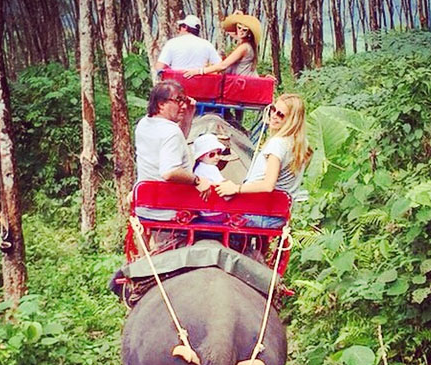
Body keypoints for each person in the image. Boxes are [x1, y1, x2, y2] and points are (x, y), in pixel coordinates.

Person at [216, 94, 313, 228]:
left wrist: (236, 188)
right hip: (279, 213)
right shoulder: (301, 144)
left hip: (260, 211)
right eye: (273, 109)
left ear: (292, 120)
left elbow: (268, 185)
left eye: (281, 114)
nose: (274, 116)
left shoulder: (278, 144)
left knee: (211, 215)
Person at [134, 80, 210, 221]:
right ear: (161, 104)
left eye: (184, 100)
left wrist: (187, 118)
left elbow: (175, 145)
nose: (183, 106)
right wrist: (198, 180)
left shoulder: (144, 123)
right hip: (170, 210)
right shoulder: (171, 132)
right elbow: (169, 172)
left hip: (145, 206)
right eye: (178, 101)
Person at [183, 13, 260, 78]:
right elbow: (228, 30)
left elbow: (223, 65)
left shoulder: (244, 47)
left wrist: (199, 71)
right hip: (243, 81)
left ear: (249, 33)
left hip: (244, 84)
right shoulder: (244, 43)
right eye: (239, 28)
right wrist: (234, 17)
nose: (241, 31)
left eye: (244, 30)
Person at [155, 14, 221, 73]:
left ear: (185, 27)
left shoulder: (172, 43)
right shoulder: (207, 44)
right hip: (199, 83)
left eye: (180, 27)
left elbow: (159, 67)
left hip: (176, 84)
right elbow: (220, 66)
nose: (179, 30)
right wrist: (203, 71)